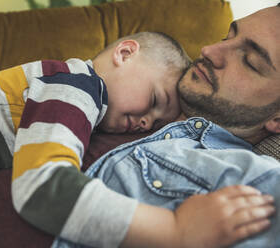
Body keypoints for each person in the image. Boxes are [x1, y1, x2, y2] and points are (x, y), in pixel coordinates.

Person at [0, 31, 273, 248]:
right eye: (155, 102)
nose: (146, 121)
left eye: (159, 120)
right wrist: (173, 230)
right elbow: (43, 186)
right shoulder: (75, 88)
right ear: (125, 54)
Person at [53, 3, 280, 248]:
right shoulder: (130, 85)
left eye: (250, 61)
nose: (209, 50)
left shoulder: (256, 180)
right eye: (227, 36)